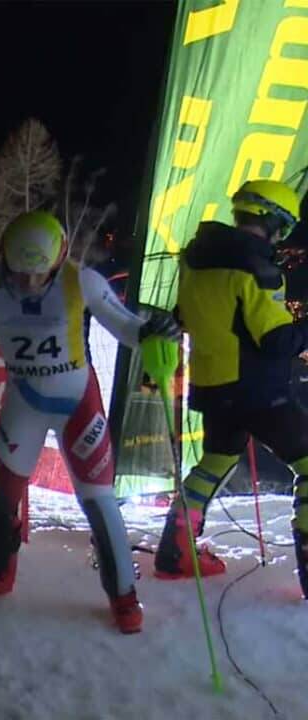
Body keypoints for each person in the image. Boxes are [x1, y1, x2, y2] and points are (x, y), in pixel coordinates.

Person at [0, 210, 182, 633]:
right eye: (19, 273)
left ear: (59, 260)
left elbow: (128, 329)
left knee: (98, 497)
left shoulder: (82, 281)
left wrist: (156, 330)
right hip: (23, 399)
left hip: (77, 401)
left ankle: (123, 595)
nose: (28, 283)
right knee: (3, 489)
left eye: (39, 274)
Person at [151, 179, 306, 599]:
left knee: (214, 463)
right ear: (274, 221)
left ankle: (174, 554)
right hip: (259, 392)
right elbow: (275, 340)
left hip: (213, 387)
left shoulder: (196, 259)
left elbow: (183, 316)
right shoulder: (258, 269)